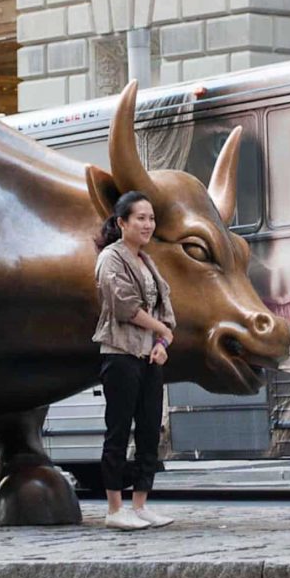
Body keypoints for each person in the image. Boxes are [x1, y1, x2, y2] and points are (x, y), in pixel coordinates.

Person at [93, 191, 176, 531]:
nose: (147, 224)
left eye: (151, 218)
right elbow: (123, 305)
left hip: (149, 357)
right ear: (121, 222)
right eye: (140, 217)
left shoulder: (146, 259)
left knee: (148, 431)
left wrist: (162, 341)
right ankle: (115, 508)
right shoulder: (111, 259)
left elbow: (165, 306)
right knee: (118, 431)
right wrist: (161, 330)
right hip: (121, 355)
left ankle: (140, 504)